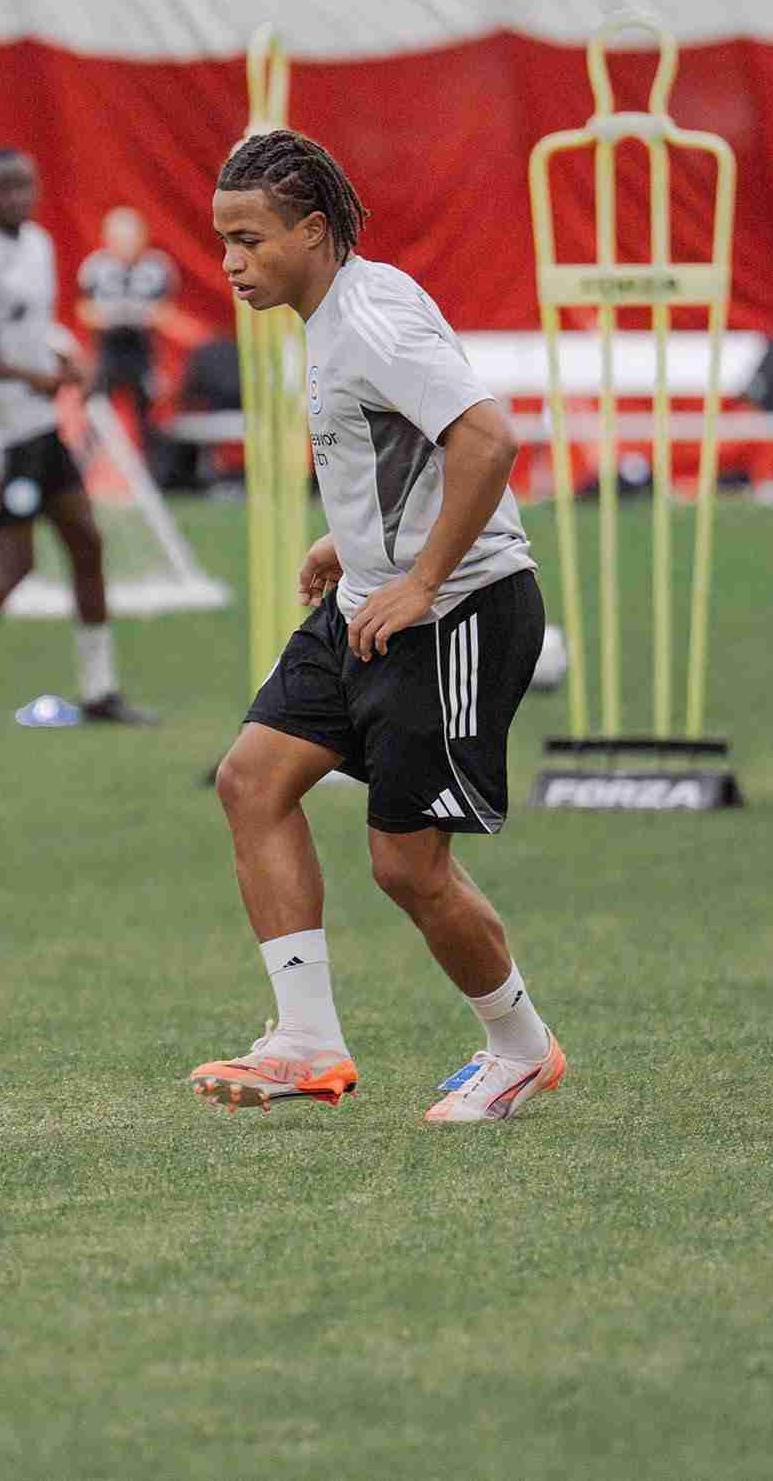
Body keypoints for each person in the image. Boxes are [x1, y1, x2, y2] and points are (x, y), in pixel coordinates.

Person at [188, 129, 561, 1125]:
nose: (232, 261)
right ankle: (307, 1043)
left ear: (314, 230)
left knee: (406, 866)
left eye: (251, 239)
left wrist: (422, 579)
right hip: (366, 600)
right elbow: (404, 451)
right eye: (223, 239)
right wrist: (346, 539)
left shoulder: (373, 320)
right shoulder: (338, 307)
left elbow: (489, 439)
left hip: (458, 613)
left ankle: (520, 1051)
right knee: (251, 781)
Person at [0, 148, 155, 729]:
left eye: (25, 186)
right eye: (3, 189)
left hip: (38, 428)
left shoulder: (37, 243)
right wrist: (26, 378)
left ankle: (99, 690)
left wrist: (69, 359)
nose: (17, 198)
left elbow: (33, 329)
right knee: (14, 563)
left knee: (87, 542)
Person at [75, 206, 175, 438]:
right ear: (107, 239)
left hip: (143, 351)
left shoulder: (158, 266)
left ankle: (155, 468)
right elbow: (84, 311)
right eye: (119, 239)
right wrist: (112, 316)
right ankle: (84, 464)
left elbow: (167, 312)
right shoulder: (94, 267)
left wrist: (140, 315)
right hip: (108, 350)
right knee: (95, 412)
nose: (126, 245)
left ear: (143, 237)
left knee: (151, 417)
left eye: (131, 238)